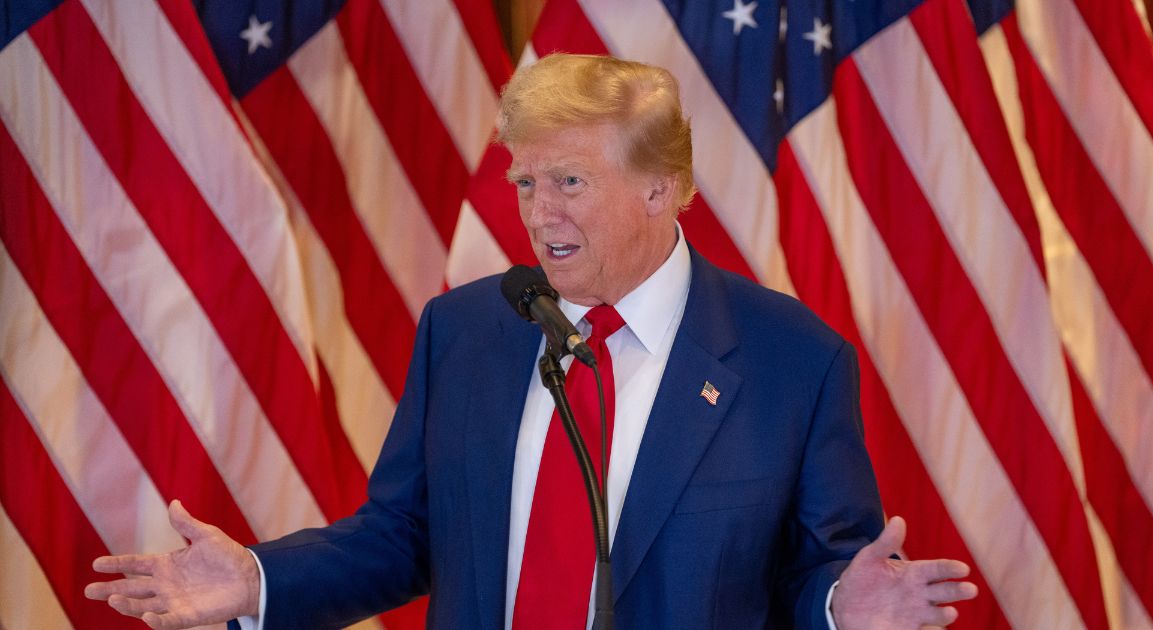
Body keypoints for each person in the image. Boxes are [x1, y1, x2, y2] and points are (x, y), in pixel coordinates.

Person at [85, 53, 976, 629]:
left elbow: (815, 571)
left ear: (662, 192)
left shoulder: (793, 360)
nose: (537, 213)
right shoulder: (466, 329)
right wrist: (257, 581)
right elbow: (403, 536)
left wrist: (836, 606)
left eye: (570, 181)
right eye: (524, 180)